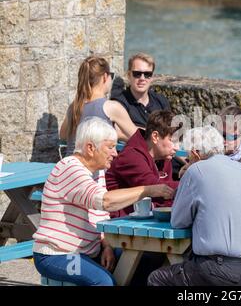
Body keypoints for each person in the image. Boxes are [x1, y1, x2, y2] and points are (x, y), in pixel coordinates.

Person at [33, 117, 174, 286]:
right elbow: (105, 202)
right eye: (111, 147)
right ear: (91, 148)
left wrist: (106, 245)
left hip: (88, 251)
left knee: (146, 258)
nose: (115, 153)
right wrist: (147, 189)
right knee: (103, 282)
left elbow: (100, 215)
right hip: (57, 255)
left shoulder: (96, 171)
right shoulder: (69, 168)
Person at [147, 126, 241, 286]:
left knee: (157, 279)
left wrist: (187, 175)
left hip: (226, 273)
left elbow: (178, 221)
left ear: (195, 153)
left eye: (188, 156)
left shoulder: (195, 171)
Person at [110, 52, 185, 180]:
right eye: (137, 73)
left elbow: (171, 135)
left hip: (165, 159)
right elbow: (116, 132)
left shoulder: (160, 101)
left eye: (147, 74)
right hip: (138, 161)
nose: (142, 78)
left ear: (152, 77)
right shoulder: (119, 103)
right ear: (129, 75)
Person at [106, 110, 179, 217]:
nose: (177, 147)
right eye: (172, 140)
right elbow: (153, 187)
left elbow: (167, 197)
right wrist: (193, 180)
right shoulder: (130, 156)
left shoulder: (164, 158)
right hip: (116, 225)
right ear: (155, 137)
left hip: (143, 224)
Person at [60, 56, 138, 156]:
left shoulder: (75, 106)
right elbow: (139, 138)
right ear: (105, 76)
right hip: (95, 170)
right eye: (111, 75)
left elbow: (63, 135)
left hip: (71, 166)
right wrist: (118, 135)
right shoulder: (111, 107)